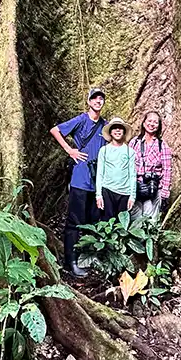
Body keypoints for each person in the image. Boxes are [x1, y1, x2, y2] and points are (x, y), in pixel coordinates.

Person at [50, 88, 107, 278]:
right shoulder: (82, 120)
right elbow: (55, 130)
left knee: (93, 220)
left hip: (97, 181)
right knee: (74, 221)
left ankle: (89, 258)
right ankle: (70, 262)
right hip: (80, 178)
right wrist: (70, 150)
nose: (98, 101)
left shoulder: (105, 125)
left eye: (101, 99)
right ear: (89, 101)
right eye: (94, 98)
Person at [129, 111, 172, 224]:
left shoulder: (162, 145)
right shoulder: (134, 143)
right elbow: (127, 165)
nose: (152, 124)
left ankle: (151, 242)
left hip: (154, 188)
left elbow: (167, 169)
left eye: (155, 122)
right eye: (149, 121)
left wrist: (164, 193)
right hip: (136, 188)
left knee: (151, 222)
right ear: (144, 123)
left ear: (159, 126)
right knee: (135, 223)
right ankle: (135, 242)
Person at [96, 117, 136, 221]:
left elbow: (132, 174)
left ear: (124, 131)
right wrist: (98, 195)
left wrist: (132, 196)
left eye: (120, 128)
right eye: (114, 128)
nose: (117, 130)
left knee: (121, 224)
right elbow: (100, 173)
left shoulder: (129, 151)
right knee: (107, 221)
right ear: (110, 132)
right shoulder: (104, 150)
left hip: (125, 193)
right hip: (107, 190)